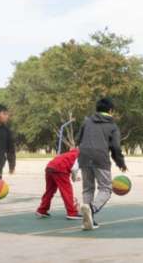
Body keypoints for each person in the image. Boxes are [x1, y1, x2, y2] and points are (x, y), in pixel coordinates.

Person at [78, 98, 128, 231]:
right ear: (111, 110)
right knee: (106, 188)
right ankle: (92, 209)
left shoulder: (86, 122)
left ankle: (89, 220)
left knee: (87, 188)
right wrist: (120, 163)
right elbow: (116, 147)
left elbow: (79, 140)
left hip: (84, 156)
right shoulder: (112, 126)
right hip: (100, 158)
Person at [36, 147, 82, 220]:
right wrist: (74, 178)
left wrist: (74, 178)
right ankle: (72, 212)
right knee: (67, 191)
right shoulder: (79, 155)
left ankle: (42, 210)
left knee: (50, 191)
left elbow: (72, 167)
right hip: (60, 169)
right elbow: (74, 168)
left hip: (49, 167)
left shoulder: (69, 153)